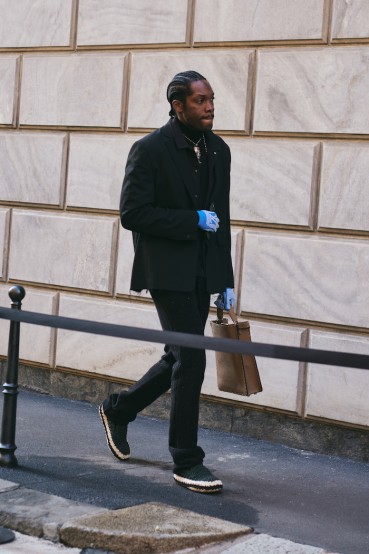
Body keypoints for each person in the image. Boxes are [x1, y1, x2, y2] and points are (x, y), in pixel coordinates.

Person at [99, 70, 235, 494]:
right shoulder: (150, 150)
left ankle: (119, 409)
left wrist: (226, 279)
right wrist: (190, 220)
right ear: (178, 106)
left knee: (178, 355)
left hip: (202, 269)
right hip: (166, 271)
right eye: (200, 101)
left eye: (211, 99)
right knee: (191, 358)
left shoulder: (219, 151)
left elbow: (222, 219)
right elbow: (132, 214)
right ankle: (187, 460)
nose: (209, 107)